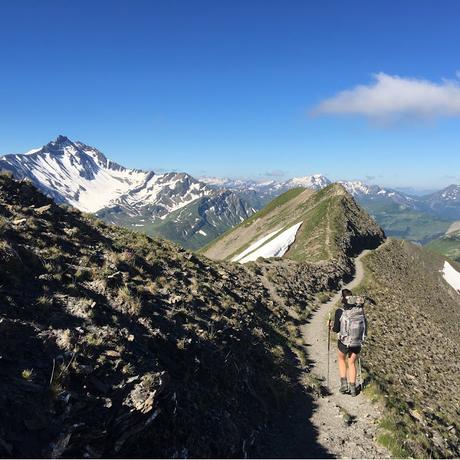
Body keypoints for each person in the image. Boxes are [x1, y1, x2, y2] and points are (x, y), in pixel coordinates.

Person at [331, 288, 367, 397]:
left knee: (341, 359)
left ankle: (344, 385)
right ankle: (353, 389)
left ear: (343, 299)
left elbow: (336, 329)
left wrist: (330, 327)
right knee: (352, 363)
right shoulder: (359, 311)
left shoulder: (340, 312)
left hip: (344, 342)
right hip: (356, 342)